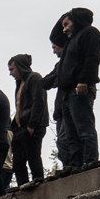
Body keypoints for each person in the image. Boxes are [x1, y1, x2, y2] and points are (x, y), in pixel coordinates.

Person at [53, 8, 100, 169]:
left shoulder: (90, 33)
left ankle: (90, 160)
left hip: (79, 88)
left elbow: (92, 59)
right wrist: (65, 18)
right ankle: (75, 164)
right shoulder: (69, 40)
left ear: (77, 20)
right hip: (66, 93)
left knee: (84, 129)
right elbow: (54, 36)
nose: (64, 29)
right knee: (71, 134)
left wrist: (83, 81)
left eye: (67, 24)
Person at [9, 54, 48, 187]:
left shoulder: (35, 78)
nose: (11, 73)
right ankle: (23, 187)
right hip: (20, 127)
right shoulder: (20, 83)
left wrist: (31, 125)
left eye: (12, 69)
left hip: (32, 126)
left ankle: (39, 183)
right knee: (18, 162)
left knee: (33, 156)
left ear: (20, 67)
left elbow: (38, 102)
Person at [41, 37, 73, 174]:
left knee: (67, 139)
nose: (54, 51)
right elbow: (46, 82)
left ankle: (73, 165)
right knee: (62, 141)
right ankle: (67, 165)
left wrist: (58, 79)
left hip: (70, 106)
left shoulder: (70, 63)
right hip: (61, 109)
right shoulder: (58, 66)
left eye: (55, 48)